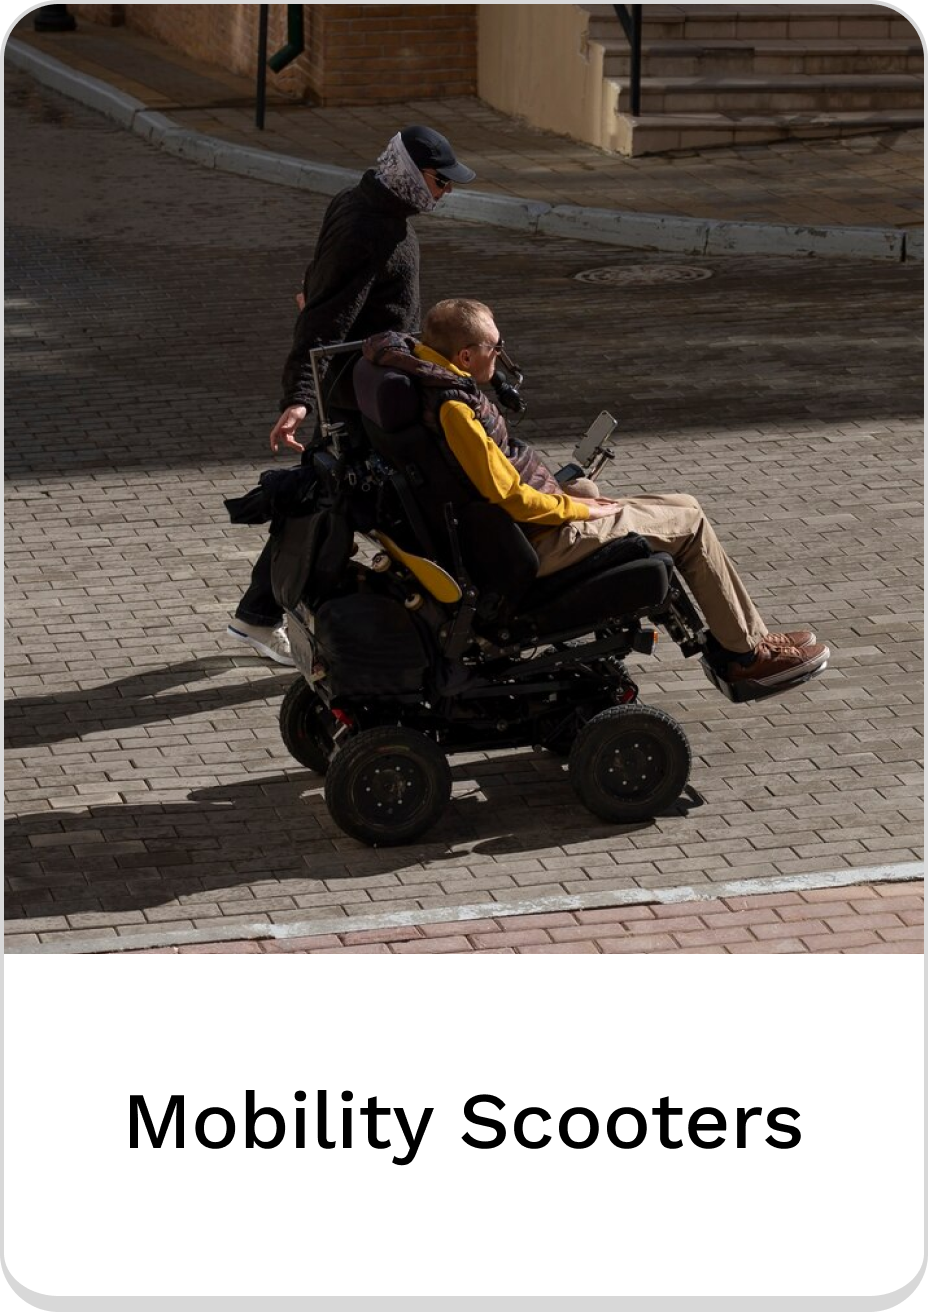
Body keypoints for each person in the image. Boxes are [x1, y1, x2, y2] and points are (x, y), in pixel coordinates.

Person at [363, 298, 830, 692]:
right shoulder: (454, 410)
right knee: (689, 523)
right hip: (534, 540)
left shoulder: (422, 373)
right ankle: (747, 656)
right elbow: (510, 498)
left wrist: (575, 497)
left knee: (661, 499)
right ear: (465, 356)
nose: (500, 354)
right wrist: (576, 509)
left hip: (513, 531)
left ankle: (752, 635)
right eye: (494, 347)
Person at [227, 126, 475, 665]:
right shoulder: (370, 226)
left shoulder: (366, 205)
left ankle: (260, 615)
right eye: (440, 181)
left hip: (366, 385)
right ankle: (298, 619)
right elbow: (325, 315)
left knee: (328, 501)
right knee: (342, 506)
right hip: (358, 394)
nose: (446, 191)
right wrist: (299, 397)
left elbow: (321, 282)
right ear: (411, 175)